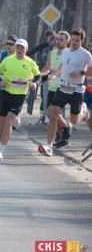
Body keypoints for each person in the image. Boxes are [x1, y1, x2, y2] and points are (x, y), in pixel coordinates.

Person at [38, 28, 92, 157]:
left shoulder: (86, 55)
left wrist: (81, 73)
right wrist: (53, 75)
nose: (74, 42)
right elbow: (62, 66)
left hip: (76, 90)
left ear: (81, 41)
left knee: (74, 120)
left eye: (77, 40)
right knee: (53, 114)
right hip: (62, 88)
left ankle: (84, 113)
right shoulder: (66, 52)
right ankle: (49, 146)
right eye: (73, 39)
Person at [0, 39, 40, 159]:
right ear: (15, 48)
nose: (19, 50)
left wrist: (34, 83)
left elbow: (38, 76)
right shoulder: (8, 60)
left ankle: (1, 150)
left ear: (26, 49)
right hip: (6, 93)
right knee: (2, 124)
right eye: (18, 47)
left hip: (19, 96)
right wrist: (1, 81)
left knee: (9, 121)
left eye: (22, 48)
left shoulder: (30, 62)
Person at [39, 31, 69, 144]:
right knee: (50, 114)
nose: (58, 41)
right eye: (56, 39)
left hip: (63, 87)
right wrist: (38, 77)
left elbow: (65, 69)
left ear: (66, 41)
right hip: (52, 86)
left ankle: (65, 130)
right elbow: (47, 67)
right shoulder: (51, 53)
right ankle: (61, 135)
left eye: (61, 39)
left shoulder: (68, 53)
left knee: (53, 113)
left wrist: (55, 74)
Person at [0, 35, 17, 131]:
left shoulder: (19, 58)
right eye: (7, 44)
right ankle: (4, 128)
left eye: (11, 44)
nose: (8, 46)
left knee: (11, 113)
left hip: (14, 90)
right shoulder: (0, 56)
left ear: (16, 45)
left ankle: (8, 128)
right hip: (1, 88)